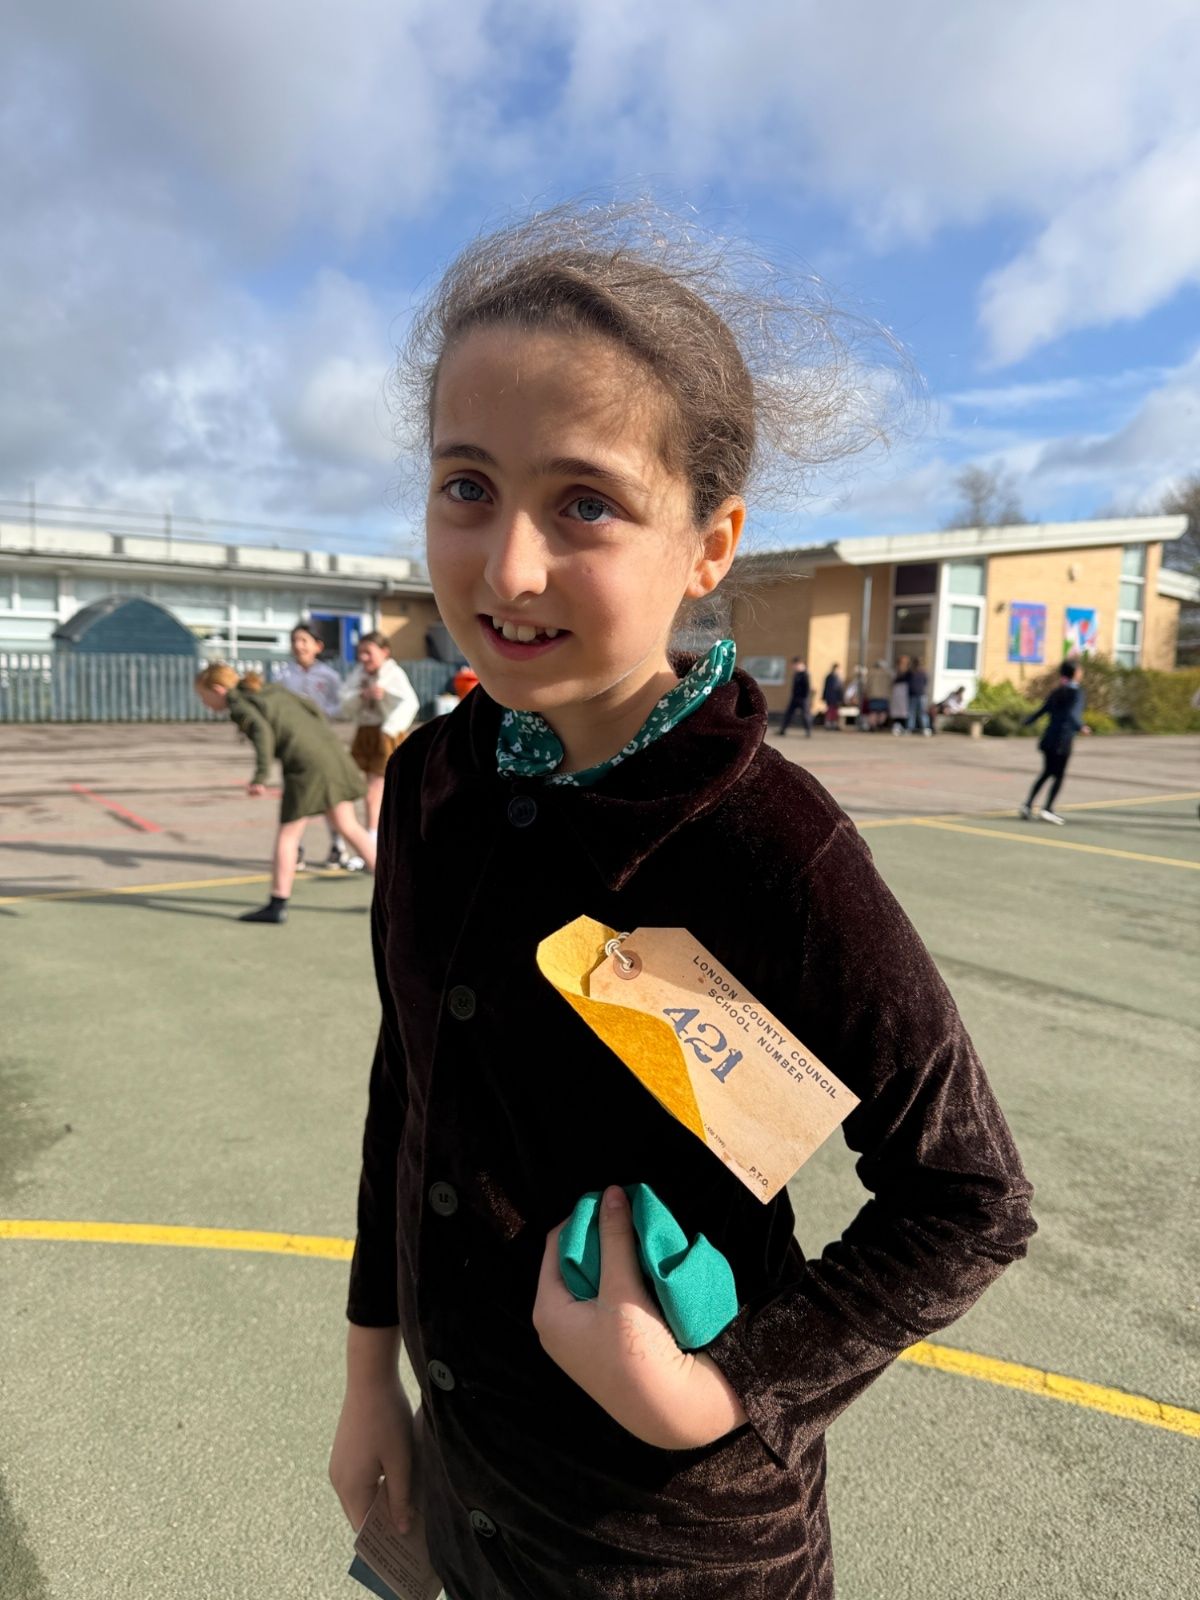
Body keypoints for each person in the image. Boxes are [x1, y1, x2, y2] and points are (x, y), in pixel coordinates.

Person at [327, 208, 1034, 1600]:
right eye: (467, 485)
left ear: (710, 545)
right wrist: (370, 1379)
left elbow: (968, 1194)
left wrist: (722, 1390)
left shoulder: (770, 843)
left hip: (673, 1548)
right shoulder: (431, 784)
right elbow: (409, 1083)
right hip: (468, 1493)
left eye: (584, 503)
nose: (508, 566)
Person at [194, 664, 376, 923]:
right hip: (331, 753)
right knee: (348, 825)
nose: (205, 704)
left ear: (218, 689)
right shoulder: (269, 689)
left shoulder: (240, 703)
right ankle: (397, 889)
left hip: (305, 766)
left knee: (288, 834)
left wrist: (260, 776)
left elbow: (262, 732)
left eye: (204, 697)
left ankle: (277, 904)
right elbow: (311, 707)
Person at [274, 621, 359, 870]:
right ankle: (295, 850)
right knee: (295, 798)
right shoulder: (283, 676)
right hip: (294, 744)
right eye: (294, 641)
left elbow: (340, 705)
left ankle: (337, 848)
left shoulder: (329, 676)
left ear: (318, 646)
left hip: (321, 743)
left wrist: (322, 712)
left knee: (331, 798)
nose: (298, 646)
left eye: (304, 641)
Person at [341, 632, 420, 837]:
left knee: (376, 787)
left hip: (386, 734)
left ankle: (374, 834)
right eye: (360, 653)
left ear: (384, 652)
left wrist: (389, 724)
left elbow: (410, 703)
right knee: (363, 783)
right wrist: (362, 695)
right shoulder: (358, 674)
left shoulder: (393, 674)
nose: (363, 657)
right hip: (365, 732)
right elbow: (344, 702)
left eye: (368, 652)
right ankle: (372, 832)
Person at [1019, 660, 1089, 824]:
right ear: (1075, 673)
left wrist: (1027, 721)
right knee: (1058, 775)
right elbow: (1072, 714)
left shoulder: (1058, 691)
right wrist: (1081, 726)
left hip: (1049, 738)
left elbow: (1042, 710)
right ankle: (1047, 809)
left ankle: (1027, 805)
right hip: (1062, 740)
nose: (1081, 672)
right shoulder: (1076, 693)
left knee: (1047, 772)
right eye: (1080, 670)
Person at [778, 655, 812, 736]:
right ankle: (782, 730)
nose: (793, 667)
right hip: (795, 698)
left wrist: (805, 698)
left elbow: (807, 688)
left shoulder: (805, 674)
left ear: (799, 664)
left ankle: (808, 731)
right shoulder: (796, 674)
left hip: (803, 698)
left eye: (795, 665)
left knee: (805, 715)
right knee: (788, 713)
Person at [865, 658, 892, 730]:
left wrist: (867, 693)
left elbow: (868, 684)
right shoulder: (887, 673)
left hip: (873, 695)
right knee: (883, 711)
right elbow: (890, 684)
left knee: (873, 711)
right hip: (884, 695)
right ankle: (880, 724)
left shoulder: (871, 672)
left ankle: (873, 725)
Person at [906, 657, 931, 735]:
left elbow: (926, 682)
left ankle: (924, 728)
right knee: (914, 712)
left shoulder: (920, 672)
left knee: (919, 712)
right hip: (916, 694)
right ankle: (911, 728)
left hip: (919, 695)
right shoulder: (912, 672)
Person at [889, 654, 910, 734]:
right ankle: (896, 725)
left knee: (904, 711)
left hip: (905, 693)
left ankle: (903, 726)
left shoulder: (908, 672)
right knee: (896, 710)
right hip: (897, 692)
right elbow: (892, 681)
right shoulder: (895, 671)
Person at [821, 661, 844, 729]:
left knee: (834, 711)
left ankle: (833, 723)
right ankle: (829, 724)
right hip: (832, 698)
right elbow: (828, 687)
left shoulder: (837, 677)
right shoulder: (832, 677)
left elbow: (839, 689)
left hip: (835, 698)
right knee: (830, 711)